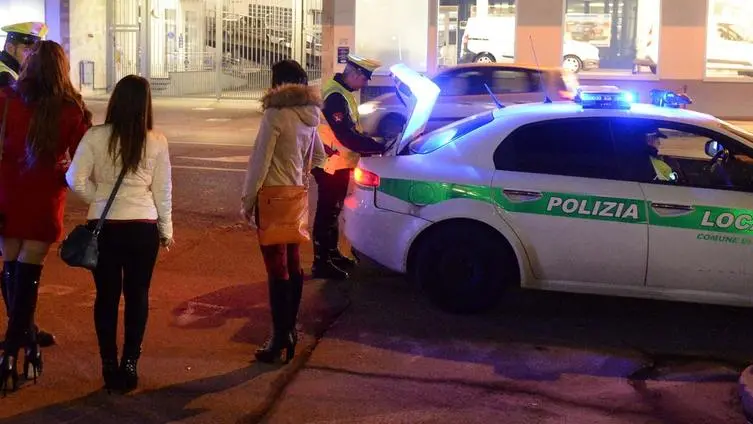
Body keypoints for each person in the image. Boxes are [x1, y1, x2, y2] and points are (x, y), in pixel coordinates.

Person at [66, 75, 173, 393]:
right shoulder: (156, 140)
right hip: (143, 227)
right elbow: (163, 191)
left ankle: (109, 364)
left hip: (106, 229)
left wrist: (97, 198)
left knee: (107, 297)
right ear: (146, 104)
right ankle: (130, 364)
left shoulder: (95, 136)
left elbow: (74, 178)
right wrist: (165, 230)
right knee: (138, 295)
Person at [0, 40, 91, 392]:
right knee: (29, 273)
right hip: (44, 195)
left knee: (12, 268)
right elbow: (83, 159)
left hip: (7, 192)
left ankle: (22, 344)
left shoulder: (6, 99)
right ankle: (17, 347)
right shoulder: (71, 110)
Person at [241, 59, 326, 364]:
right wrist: (299, 175)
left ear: (279, 84)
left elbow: (259, 162)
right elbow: (318, 157)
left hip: (272, 198)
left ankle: (280, 336)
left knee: (276, 268)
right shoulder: (311, 114)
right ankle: (290, 331)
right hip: (296, 196)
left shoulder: (275, 114)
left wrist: (247, 201)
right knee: (293, 263)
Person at [0, 21, 56, 350]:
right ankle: (21, 331)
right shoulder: (6, 80)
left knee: (12, 262)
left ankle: (21, 328)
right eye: (28, 49)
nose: (30, 57)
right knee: (15, 264)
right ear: (12, 46)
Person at [312, 54, 386, 280]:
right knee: (327, 212)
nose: (366, 84)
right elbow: (346, 135)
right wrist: (376, 147)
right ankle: (321, 262)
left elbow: (352, 131)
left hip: (338, 162)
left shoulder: (342, 92)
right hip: (330, 165)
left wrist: (372, 143)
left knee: (333, 211)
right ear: (354, 74)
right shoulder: (335, 96)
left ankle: (332, 254)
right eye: (364, 79)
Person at [0, 22, 48, 87]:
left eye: (34, 51)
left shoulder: (14, 70)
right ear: (10, 48)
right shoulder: (4, 76)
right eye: (27, 50)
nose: (31, 55)